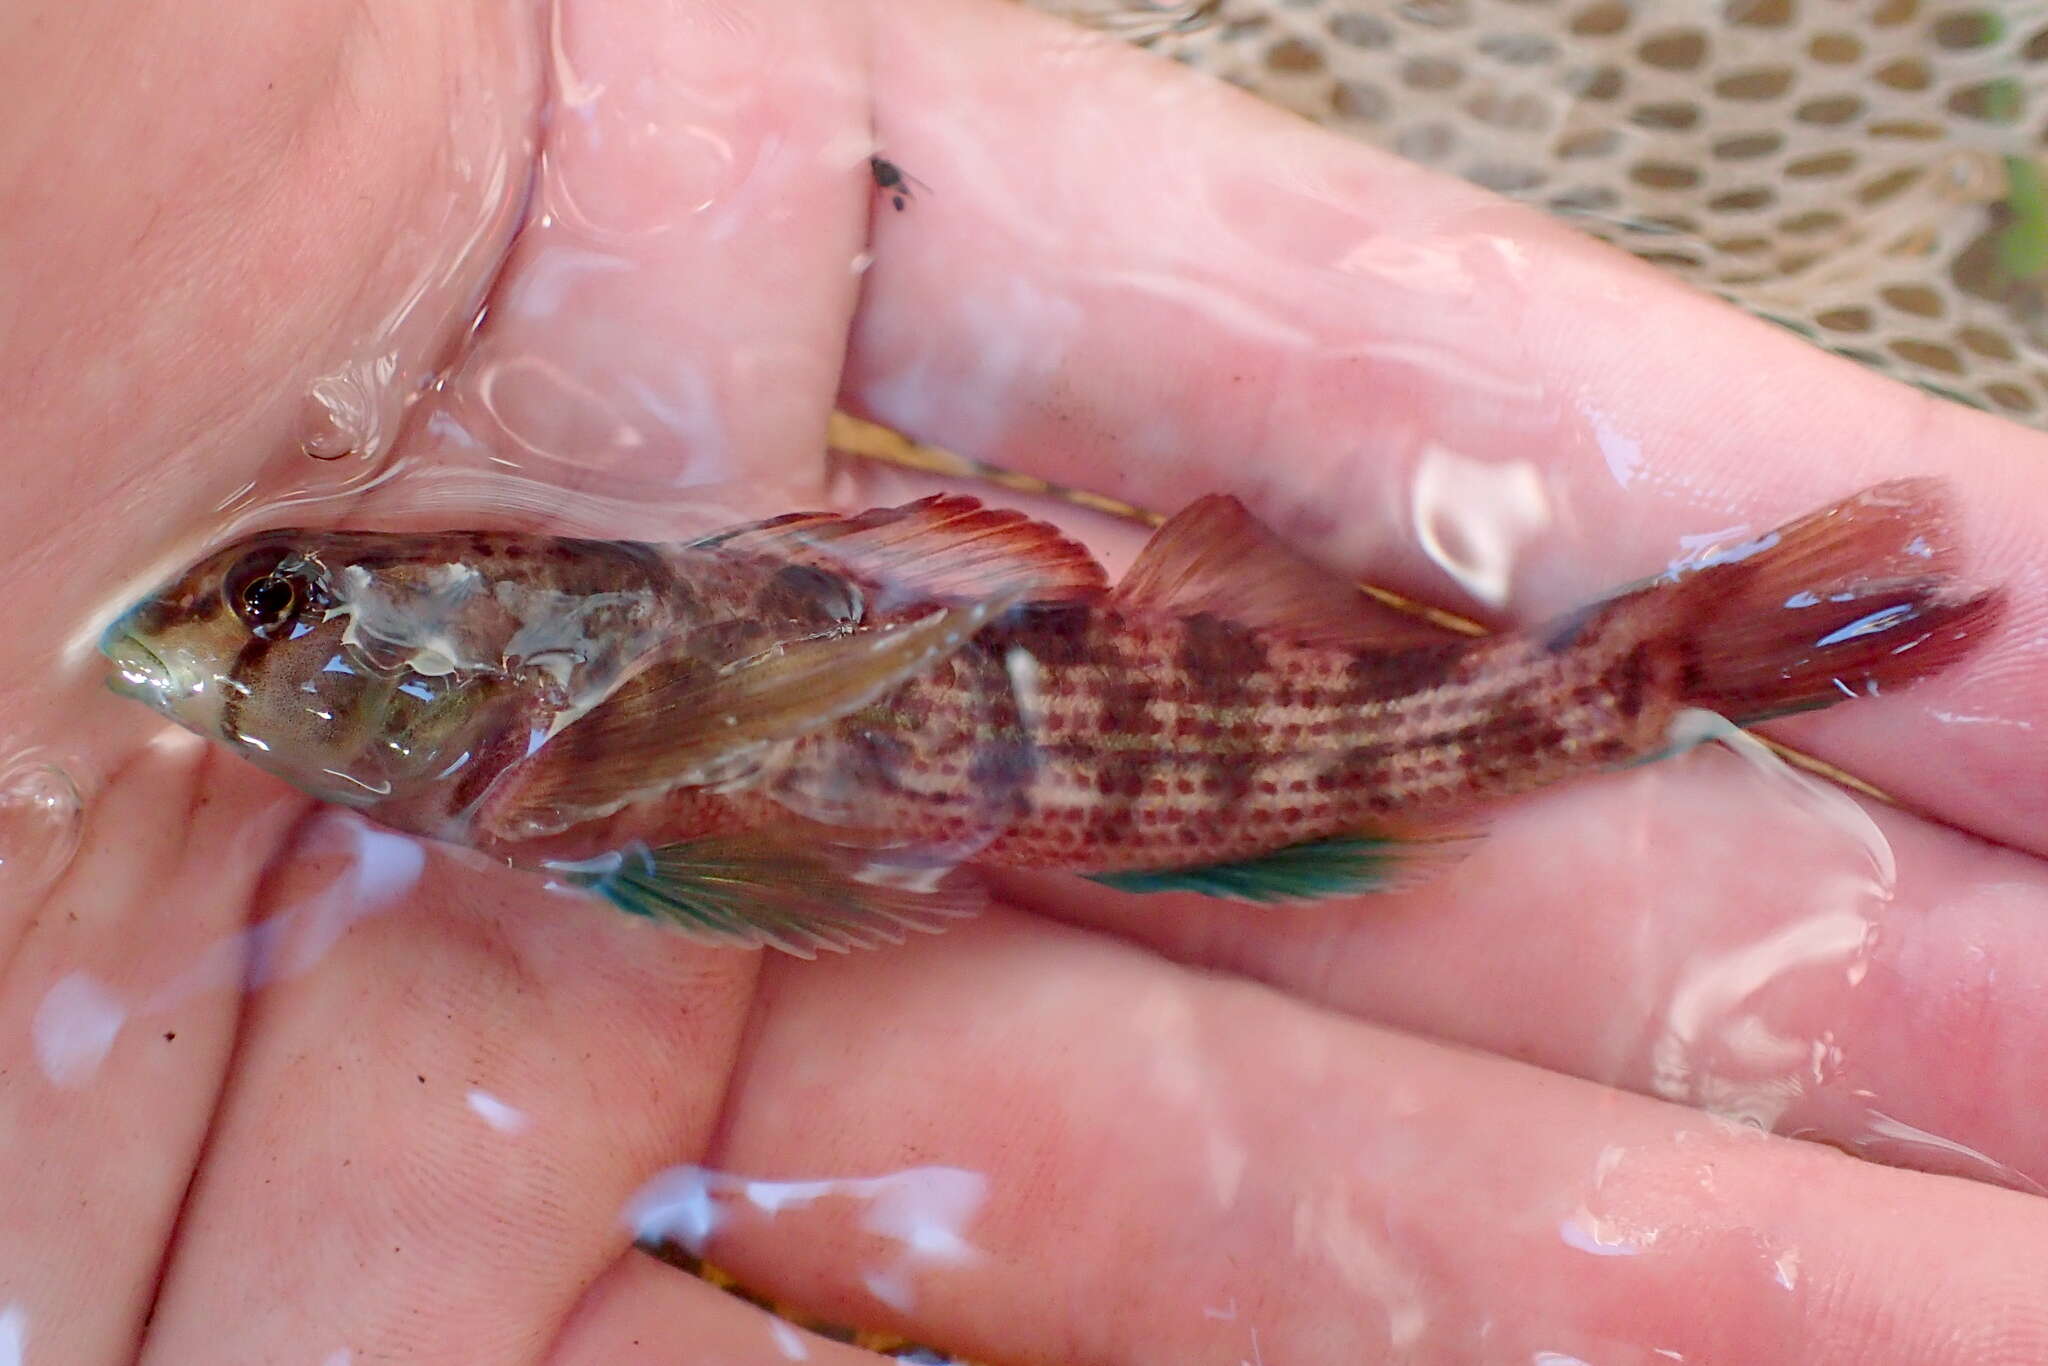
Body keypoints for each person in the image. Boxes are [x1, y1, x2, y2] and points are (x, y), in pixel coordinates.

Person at [5, 1, 2048, 1361]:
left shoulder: (564, 746)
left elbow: (773, 848)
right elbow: (771, 853)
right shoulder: (558, 733)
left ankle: (1671, 663)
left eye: (284, 626)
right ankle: (1664, 669)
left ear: (484, 700)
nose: (224, 653)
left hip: (1172, 712)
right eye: (279, 625)